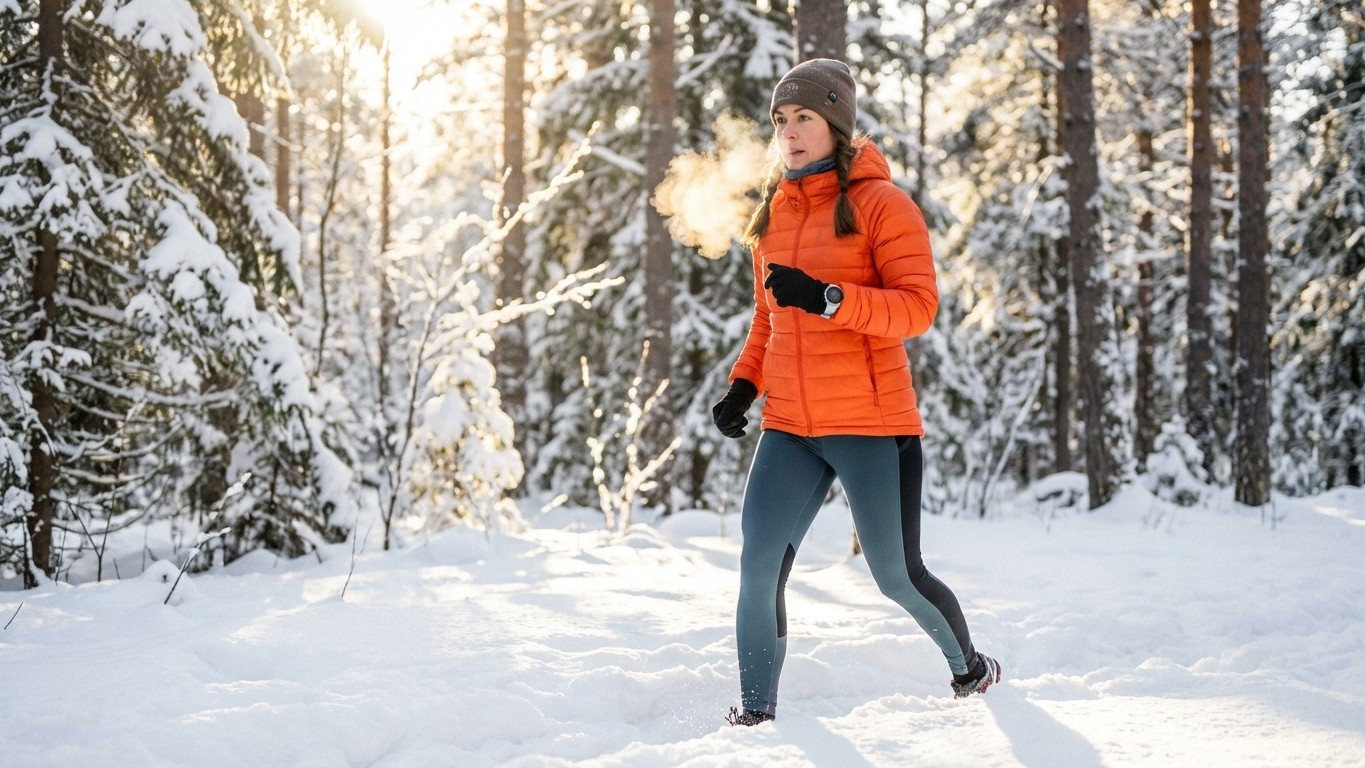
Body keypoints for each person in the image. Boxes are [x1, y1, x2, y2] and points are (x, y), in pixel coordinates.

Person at [711, 58, 1001, 727]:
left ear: (836, 124)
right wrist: (743, 386)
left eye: (803, 117)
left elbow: (916, 308)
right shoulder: (773, 214)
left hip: (872, 425)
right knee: (758, 566)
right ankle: (756, 716)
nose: (788, 132)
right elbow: (767, 320)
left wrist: (828, 297)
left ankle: (969, 668)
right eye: (780, 120)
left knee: (895, 575)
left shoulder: (882, 205)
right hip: (790, 427)